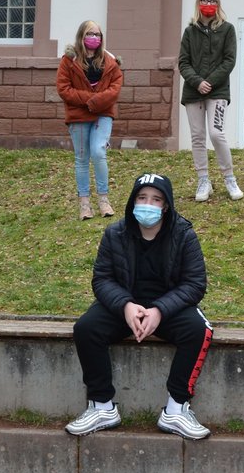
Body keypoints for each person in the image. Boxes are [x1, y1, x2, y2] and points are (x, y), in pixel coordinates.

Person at [66, 172, 214, 440]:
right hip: (125, 308)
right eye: (142, 197)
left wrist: (159, 310)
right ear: (133, 201)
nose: (148, 203)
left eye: (156, 199)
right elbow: (102, 279)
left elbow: (195, 284)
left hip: (168, 309)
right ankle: (102, 406)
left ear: (166, 205)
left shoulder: (184, 234)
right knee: (86, 328)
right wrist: (125, 305)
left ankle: (176, 409)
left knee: (199, 329)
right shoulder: (115, 233)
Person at [178, 0, 243, 203]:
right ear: (198, 3)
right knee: (197, 137)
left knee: (216, 134)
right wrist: (197, 82)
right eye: (204, 0)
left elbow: (229, 60)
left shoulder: (227, 29)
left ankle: (229, 178)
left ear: (218, 4)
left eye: (213, 0)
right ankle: (203, 180)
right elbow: (183, 62)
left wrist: (210, 82)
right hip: (193, 92)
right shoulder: (189, 32)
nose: (209, 4)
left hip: (218, 91)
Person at [57, 19, 123, 219]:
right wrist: (89, 100)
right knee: (82, 158)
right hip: (78, 116)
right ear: (81, 36)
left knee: (98, 151)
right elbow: (64, 89)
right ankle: (84, 204)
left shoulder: (110, 62)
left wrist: (97, 103)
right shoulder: (68, 61)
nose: (94, 38)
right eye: (90, 34)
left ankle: (104, 199)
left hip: (103, 115)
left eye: (97, 34)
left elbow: (115, 88)